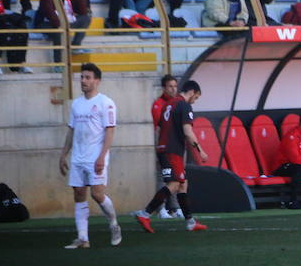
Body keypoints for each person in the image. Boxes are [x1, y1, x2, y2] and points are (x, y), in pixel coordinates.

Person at [58, 63, 121, 249]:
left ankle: (113, 223)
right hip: (78, 157)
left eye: (87, 77)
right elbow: (71, 131)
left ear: (97, 81)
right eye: (82, 77)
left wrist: (102, 156)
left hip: (95, 157)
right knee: (78, 194)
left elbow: (110, 131)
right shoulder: (76, 104)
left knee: (97, 194)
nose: (83, 81)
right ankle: (83, 239)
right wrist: (63, 155)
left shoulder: (106, 103)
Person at [134, 80, 208, 233]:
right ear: (192, 92)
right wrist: (200, 150)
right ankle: (145, 213)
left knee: (182, 183)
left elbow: (163, 126)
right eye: (196, 97)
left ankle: (190, 222)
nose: (195, 101)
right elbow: (188, 132)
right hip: (172, 150)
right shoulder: (184, 105)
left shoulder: (169, 104)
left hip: (165, 148)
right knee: (174, 184)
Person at [149, 74, 183, 219]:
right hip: (163, 144)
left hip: (175, 144)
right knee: (163, 176)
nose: (173, 89)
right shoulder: (158, 104)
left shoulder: (178, 102)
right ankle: (161, 208)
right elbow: (160, 125)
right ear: (164, 88)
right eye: (170, 86)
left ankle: (174, 208)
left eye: (175, 86)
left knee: (176, 176)